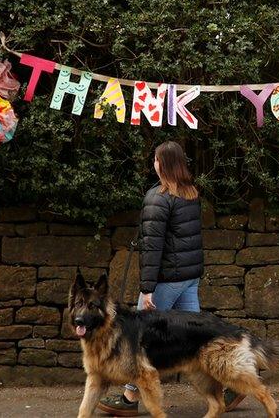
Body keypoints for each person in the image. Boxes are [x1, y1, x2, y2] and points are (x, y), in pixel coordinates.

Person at [97, 141, 244, 416]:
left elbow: (153, 248)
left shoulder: (158, 197)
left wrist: (147, 290)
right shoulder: (190, 193)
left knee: (137, 336)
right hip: (190, 277)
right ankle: (228, 385)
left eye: (155, 159)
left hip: (166, 279)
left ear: (161, 164)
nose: (153, 163)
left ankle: (129, 396)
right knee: (198, 338)